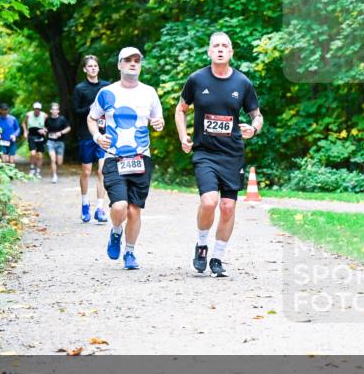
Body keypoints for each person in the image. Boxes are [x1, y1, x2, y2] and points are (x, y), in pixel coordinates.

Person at [175, 31, 263, 277]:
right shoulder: (197, 79)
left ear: (231, 52)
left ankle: (218, 258)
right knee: (209, 201)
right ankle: (202, 244)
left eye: (225, 46)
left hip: (232, 154)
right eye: (216, 46)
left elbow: (257, 115)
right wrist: (183, 136)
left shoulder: (242, 83)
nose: (221, 49)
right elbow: (180, 110)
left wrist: (253, 129)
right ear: (209, 51)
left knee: (227, 207)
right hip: (205, 152)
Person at [87, 47, 164, 270]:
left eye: (136, 60)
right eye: (128, 60)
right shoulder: (106, 92)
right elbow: (92, 118)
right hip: (114, 157)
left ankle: (129, 253)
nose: (133, 63)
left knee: (134, 210)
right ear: (119, 65)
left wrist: (159, 124)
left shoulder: (149, 92)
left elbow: (157, 120)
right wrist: (97, 136)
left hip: (141, 157)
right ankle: (116, 231)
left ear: (140, 65)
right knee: (120, 206)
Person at [73, 55, 110, 223]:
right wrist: (91, 109)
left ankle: (100, 208)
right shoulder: (80, 88)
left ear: (98, 68)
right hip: (86, 134)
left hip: (104, 134)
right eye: (90, 66)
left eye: (95, 66)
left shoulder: (106, 87)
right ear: (85, 69)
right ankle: (85, 203)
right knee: (86, 171)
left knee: (102, 171)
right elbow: (75, 111)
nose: (93, 68)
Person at [44, 102, 71, 183]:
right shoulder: (48, 119)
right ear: (51, 110)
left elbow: (68, 128)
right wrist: (44, 130)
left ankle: (56, 171)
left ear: (58, 111)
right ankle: (54, 175)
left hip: (60, 142)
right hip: (50, 141)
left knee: (59, 162)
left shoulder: (62, 119)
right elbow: (46, 128)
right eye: (53, 109)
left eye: (56, 109)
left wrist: (61, 133)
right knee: (53, 159)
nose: (55, 111)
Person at [23, 102, 47, 177]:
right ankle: (32, 168)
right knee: (32, 153)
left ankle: (38, 171)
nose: (37, 110)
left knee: (40, 155)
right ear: (33, 109)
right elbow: (23, 123)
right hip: (31, 135)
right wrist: (25, 131)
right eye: (35, 109)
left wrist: (45, 130)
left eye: (38, 109)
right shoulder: (28, 114)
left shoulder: (44, 115)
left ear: (40, 109)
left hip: (40, 135)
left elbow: (48, 125)